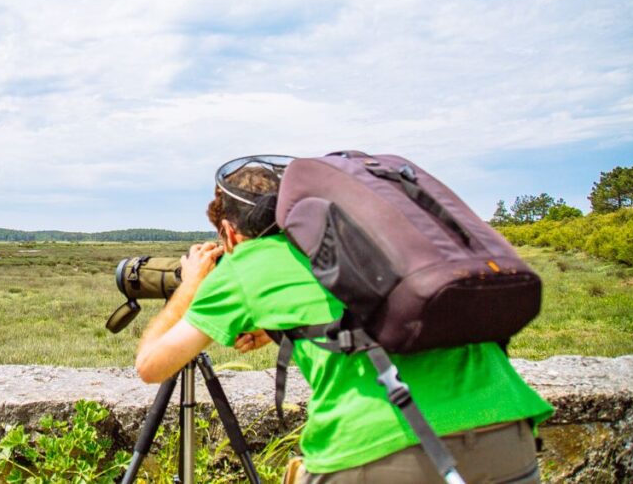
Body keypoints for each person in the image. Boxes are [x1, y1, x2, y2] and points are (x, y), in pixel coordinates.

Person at [136, 159, 554, 483]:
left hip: (382, 448)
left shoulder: (246, 264)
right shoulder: (354, 240)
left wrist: (190, 286)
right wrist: (279, 324)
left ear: (229, 233)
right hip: (509, 432)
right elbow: (376, 308)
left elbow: (152, 366)